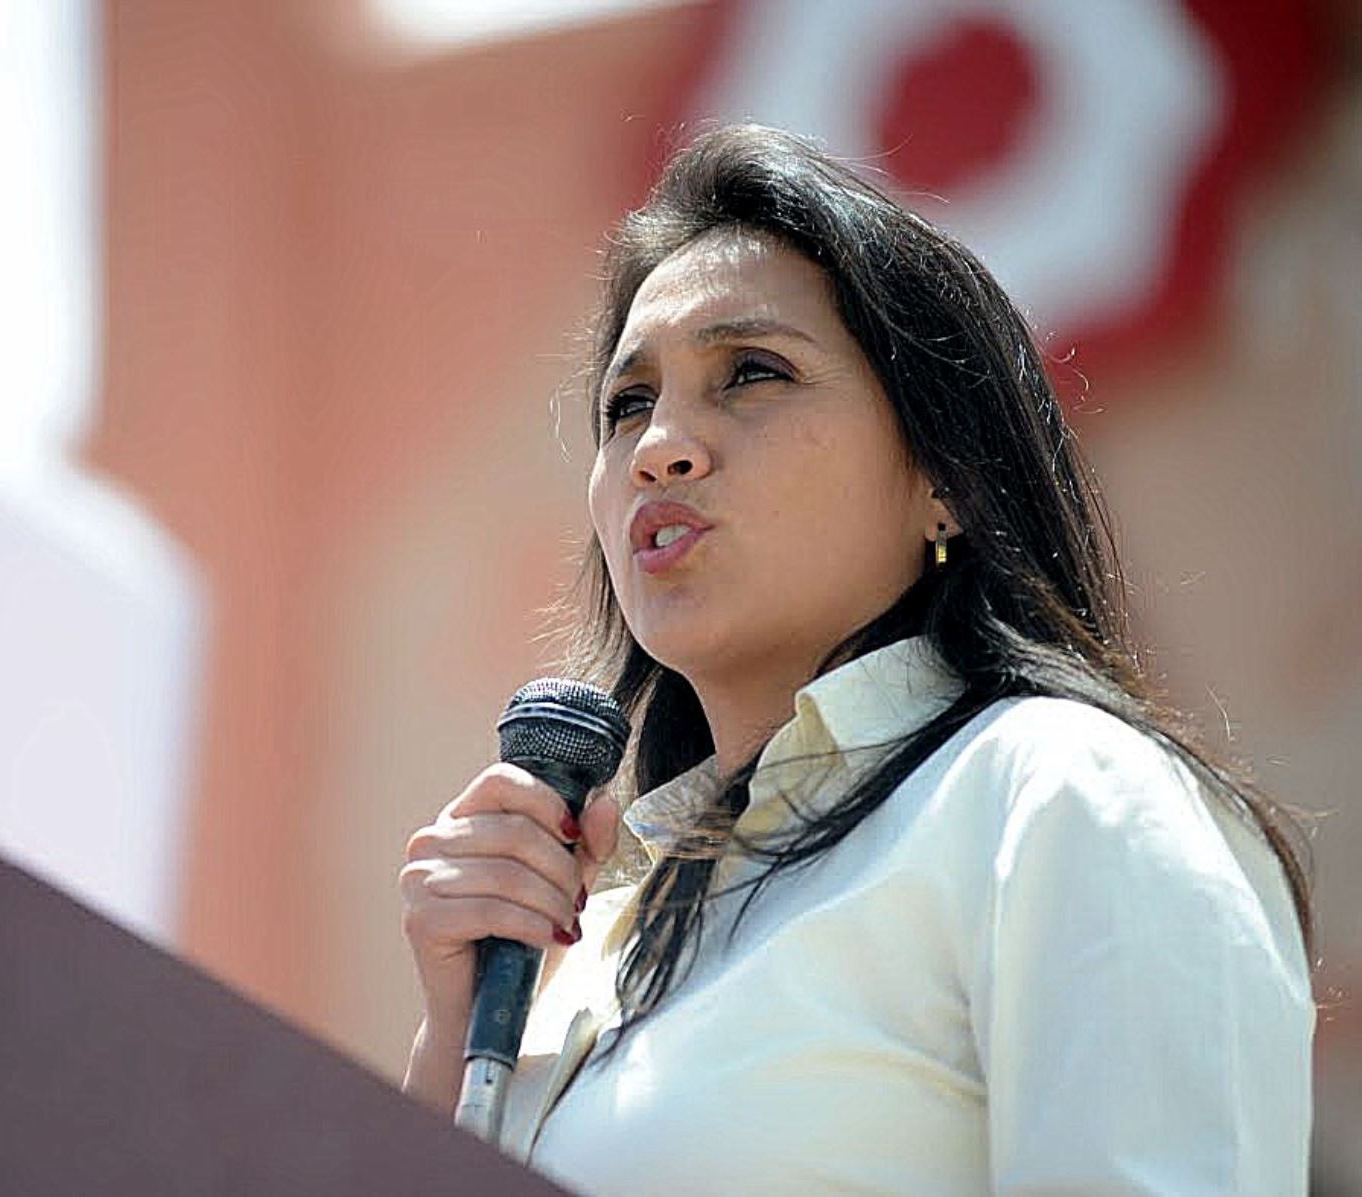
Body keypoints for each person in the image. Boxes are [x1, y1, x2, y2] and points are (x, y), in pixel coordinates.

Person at [397, 124, 1316, 1195]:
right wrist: (455, 1048)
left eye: (751, 372)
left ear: (944, 480)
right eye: (628, 403)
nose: (659, 447)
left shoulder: (1056, 795)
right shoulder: (588, 940)